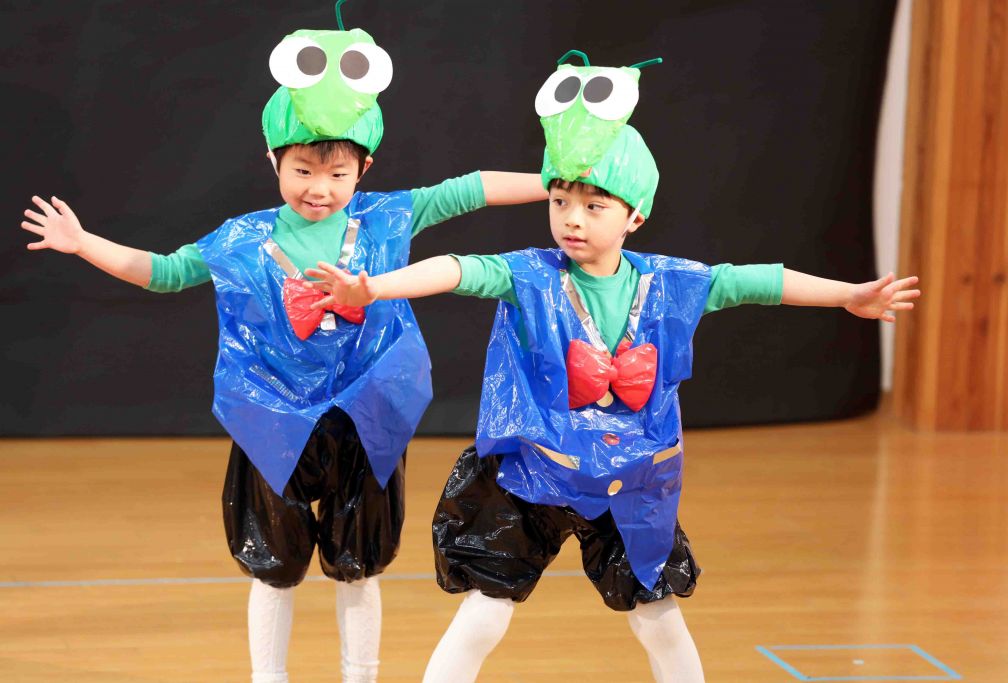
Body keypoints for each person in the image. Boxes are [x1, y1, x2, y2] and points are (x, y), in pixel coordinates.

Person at [304, 51, 921, 683]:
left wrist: (848, 294)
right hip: (535, 473)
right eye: (560, 201)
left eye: (594, 206)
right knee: (485, 613)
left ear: (635, 215)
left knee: (658, 619)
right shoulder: (528, 274)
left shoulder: (668, 283)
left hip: (629, 477)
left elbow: (756, 281)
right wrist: (374, 288)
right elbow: (456, 269)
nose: (572, 218)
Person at [18, 7, 546, 683]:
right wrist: (84, 242)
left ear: (364, 168)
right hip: (272, 418)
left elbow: (469, 190)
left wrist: (556, 184)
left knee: (359, 566)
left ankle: (361, 675)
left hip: (365, 417)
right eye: (301, 170)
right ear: (272, 159)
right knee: (272, 565)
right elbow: (165, 271)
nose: (319, 189)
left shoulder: (387, 215)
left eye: (338, 174)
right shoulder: (241, 237)